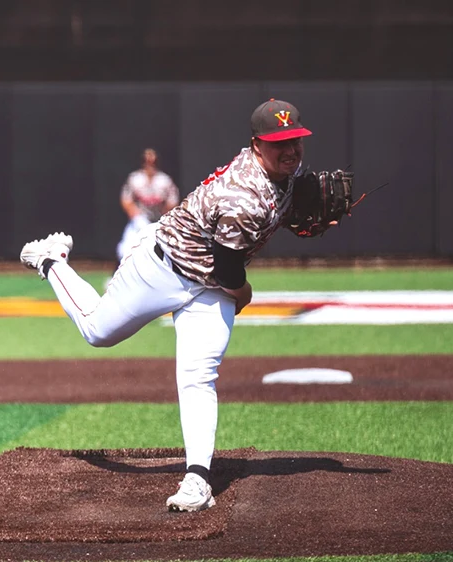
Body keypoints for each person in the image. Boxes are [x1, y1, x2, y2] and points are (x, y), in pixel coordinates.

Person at [20, 99, 321, 512]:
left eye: (295, 140)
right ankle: (51, 260)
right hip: (163, 268)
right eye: (278, 142)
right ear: (256, 145)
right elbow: (229, 270)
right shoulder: (243, 196)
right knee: (96, 331)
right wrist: (245, 294)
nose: (290, 150)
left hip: (208, 286)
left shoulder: (286, 174)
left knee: (199, 376)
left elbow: (272, 212)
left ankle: (197, 479)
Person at [115, 148, 180, 263]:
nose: (150, 165)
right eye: (147, 161)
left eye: (153, 162)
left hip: (159, 220)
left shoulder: (164, 180)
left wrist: (164, 218)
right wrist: (136, 216)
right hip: (140, 219)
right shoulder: (135, 179)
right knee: (124, 250)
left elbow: (172, 201)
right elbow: (126, 200)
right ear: (142, 162)